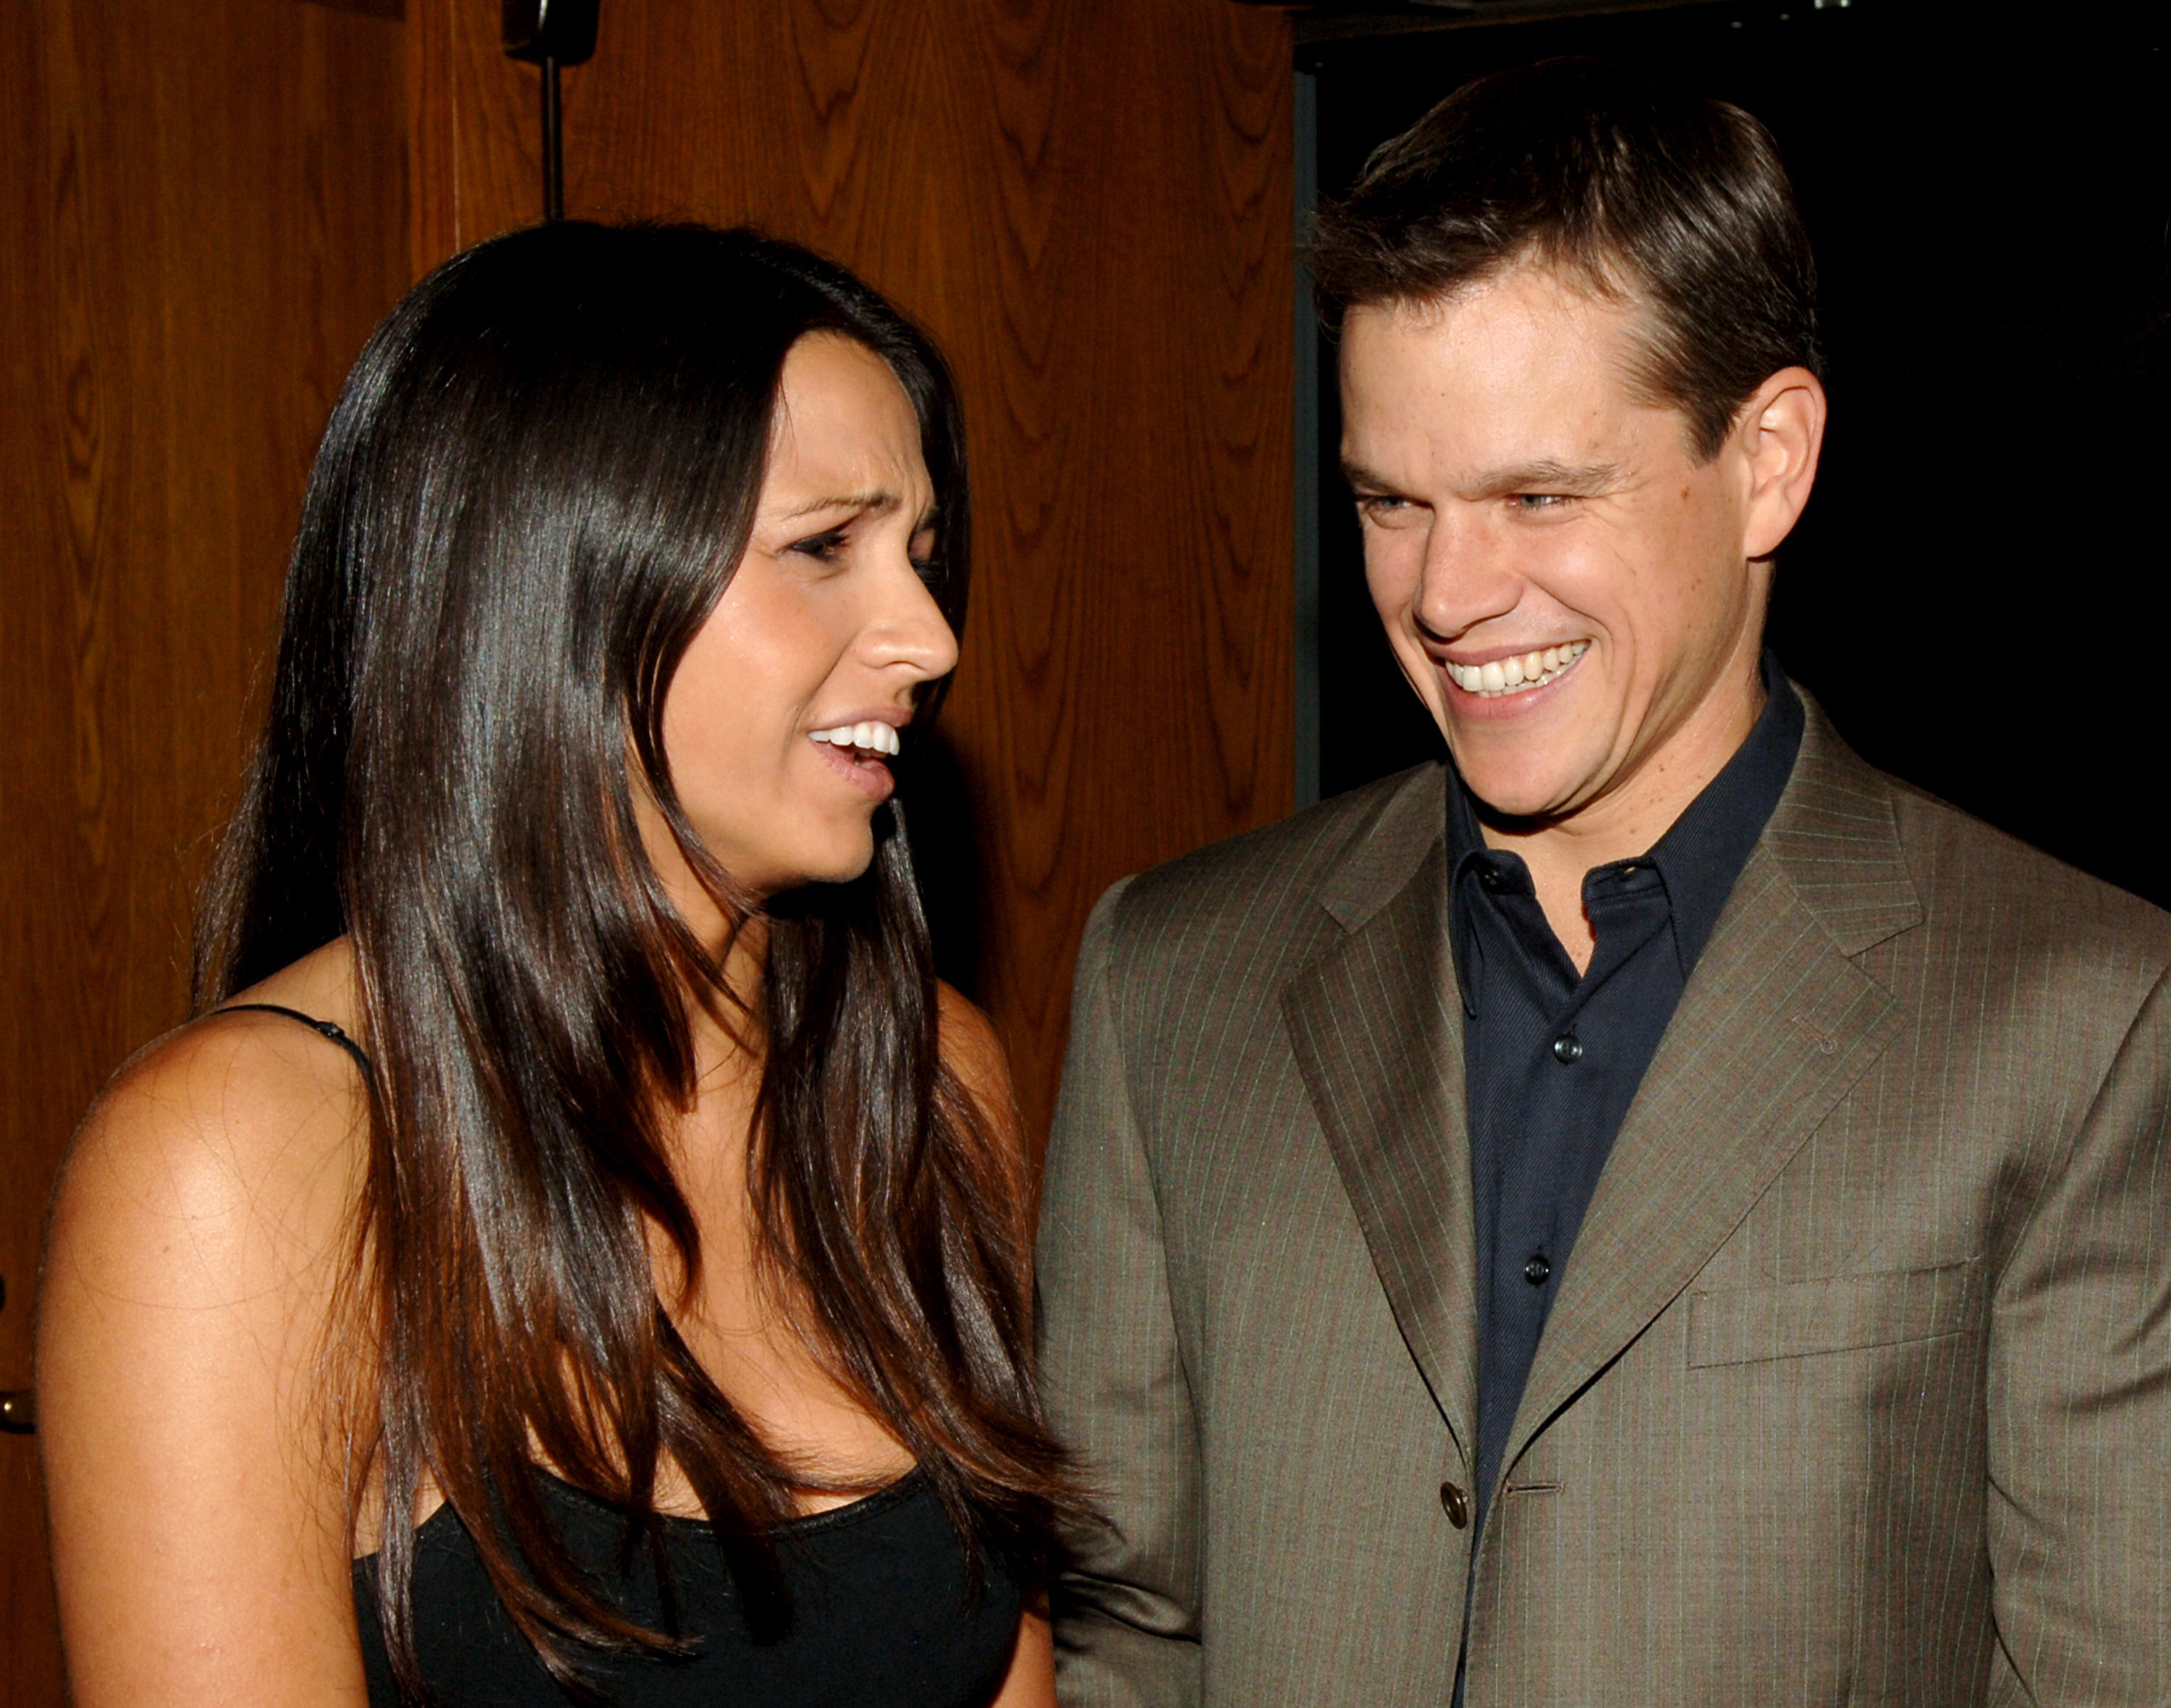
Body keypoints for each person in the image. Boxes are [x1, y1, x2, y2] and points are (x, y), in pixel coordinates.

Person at [1036, 58, 2171, 1706]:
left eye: (1538, 496)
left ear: (1770, 461)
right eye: (1390, 504)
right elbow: (1124, 1636)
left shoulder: (2078, 1012)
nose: (1447, 592)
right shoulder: (1171, 973)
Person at [39, 221, 1079, 1707]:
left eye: (920, 554)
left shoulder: (925, 1075)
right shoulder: (240, 1162)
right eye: (823, 548)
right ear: (566, 581)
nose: (926, 634)